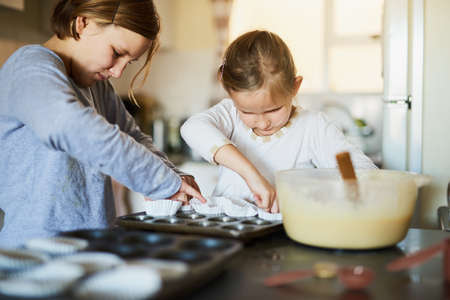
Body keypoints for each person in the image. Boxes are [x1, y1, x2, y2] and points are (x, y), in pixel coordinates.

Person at [0, 0, 206, 248]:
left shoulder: (98, 87)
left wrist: (174, 176)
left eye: (128, 62)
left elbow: (134, 137)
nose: (118, 72)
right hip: (34, 256)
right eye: (117, 53)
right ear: (83, 23)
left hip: (94, 248)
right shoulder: (30, 67)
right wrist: (161, 182)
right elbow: (71, 127)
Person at [181, 30, 376, 214]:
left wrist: (313, 194)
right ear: (230, 93)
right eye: (247, 111)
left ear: (295, 87)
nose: (263, 122)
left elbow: (365, 173)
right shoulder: (229, 114)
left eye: (273, 110)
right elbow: (193, 128)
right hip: (228, 230)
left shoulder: (313, 127)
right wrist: (252, 175)